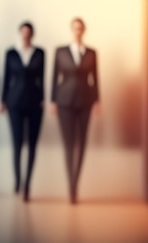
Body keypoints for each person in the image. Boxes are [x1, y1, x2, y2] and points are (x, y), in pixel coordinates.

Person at [50, 17, 99, 204]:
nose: (78, 31)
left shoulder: (92, 52)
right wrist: (53, 100)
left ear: (84, 30)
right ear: (72, 30)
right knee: (69, 143)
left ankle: (76, 182)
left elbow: (96, 78)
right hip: (65, 101)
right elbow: (54, 77)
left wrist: (97, 101)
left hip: (85, 100)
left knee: (82, 142)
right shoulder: (61, 51)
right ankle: (71, 183)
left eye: (80, 28)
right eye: (75, 28)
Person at [0, 22, 44, 202]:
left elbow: (42, 78)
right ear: (20, 33)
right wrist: (3, 100)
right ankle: (17, 178)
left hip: (34, 102)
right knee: (17, 142)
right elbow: (6, 77)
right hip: (15, 102)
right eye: (23, 32)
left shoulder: (39, 52)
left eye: (29, 33)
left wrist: (44, 99)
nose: (26, 35)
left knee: (32, 144)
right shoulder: (11, 52)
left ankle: (27, 184)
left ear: (32, 34)